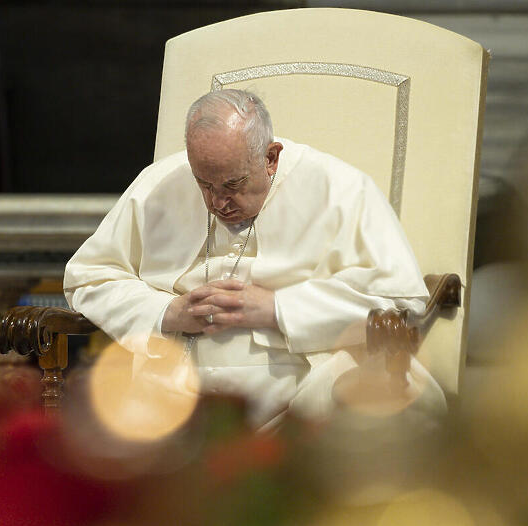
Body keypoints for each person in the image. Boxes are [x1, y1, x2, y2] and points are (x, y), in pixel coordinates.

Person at [64, 89, 446, 429]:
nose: (217, 203)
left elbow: (400, 304)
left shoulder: (340, 189)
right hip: (171, 396)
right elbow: (89, 277)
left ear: (271, 157)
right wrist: (167, 313)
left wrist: (280, 307)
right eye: (204, 184)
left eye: (233, 184)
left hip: (300, 404)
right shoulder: (159, 183)